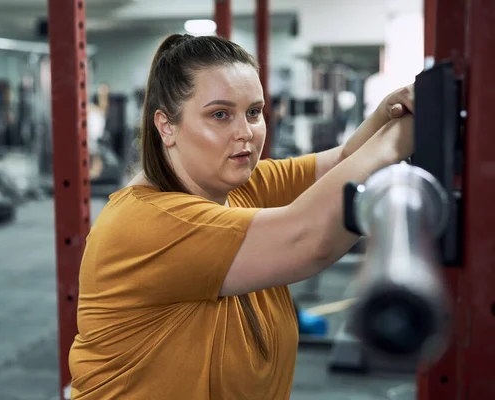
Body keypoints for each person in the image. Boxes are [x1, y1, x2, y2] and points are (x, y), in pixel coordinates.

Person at [68, 34, 414, 399]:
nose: (246, 132)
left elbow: (344, 161)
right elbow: (309, 240)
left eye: (253, 112)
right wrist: (400, 137)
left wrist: (389, 112)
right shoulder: (147, 224)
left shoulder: (236, 188)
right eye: (220, 115)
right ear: (166, 126)